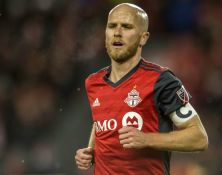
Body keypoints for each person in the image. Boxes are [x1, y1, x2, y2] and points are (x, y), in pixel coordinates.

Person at [74, 3, 208, 175]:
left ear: (143, 38)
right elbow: (101, 121)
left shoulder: (162, 81)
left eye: (127, 27)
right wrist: (91, 151)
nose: (117, 32)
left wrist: (146, 139)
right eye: (112, 26)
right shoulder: (93, 82)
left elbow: (199, 138)